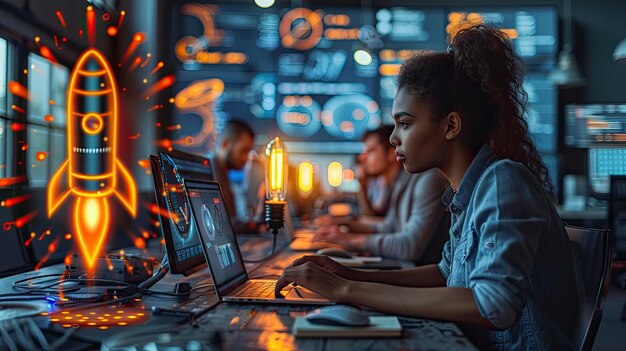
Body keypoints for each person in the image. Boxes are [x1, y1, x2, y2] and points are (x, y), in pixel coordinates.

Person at [275, 25, 583, 350]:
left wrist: (344, 291)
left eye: (405, 124)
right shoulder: (469, 190)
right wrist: (349, 274)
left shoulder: (503, 181)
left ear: (450, 125)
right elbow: (444, 273)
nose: (393, 137)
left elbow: (491, 306)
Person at [208, 119, 258, 234]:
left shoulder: (222, 173)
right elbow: (221, 225)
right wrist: (253, 226)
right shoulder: (207, 172)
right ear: (225, 144)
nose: (246, 158)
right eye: (243, 151)